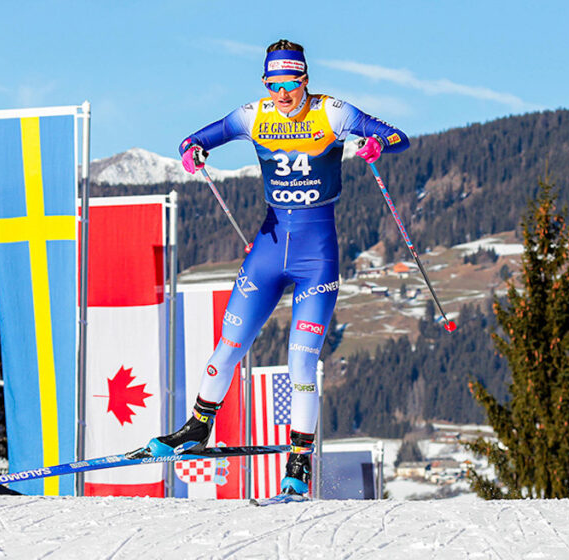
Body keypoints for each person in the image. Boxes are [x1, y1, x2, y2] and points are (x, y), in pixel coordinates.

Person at [133, 39, 410, 498]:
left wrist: (376, 143)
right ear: (266, 83)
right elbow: (195, 138)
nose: (283, 93)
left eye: (292, 82)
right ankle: (196, 429)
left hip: (316, 260)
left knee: (300, 361)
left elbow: (398, 136)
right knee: (227, 347)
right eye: (274, 83)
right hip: (267, 252)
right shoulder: (253, 115)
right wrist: (192, 152)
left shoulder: (332, 113)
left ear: (306, 79)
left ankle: (299, 461)